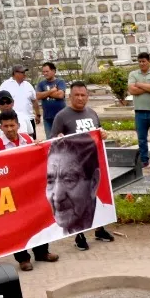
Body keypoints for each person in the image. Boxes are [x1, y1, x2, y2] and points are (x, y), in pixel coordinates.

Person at [51, 82, 115, 250]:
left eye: (83, 95)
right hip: (73, 172)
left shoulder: (92, 113)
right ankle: (79, 235)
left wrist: (103, 134)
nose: (80, 98)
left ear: (87, 96)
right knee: (78, 203)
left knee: (97, 198)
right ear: (70, 97)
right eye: (76, 95)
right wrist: (58, 138)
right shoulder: (62, 117)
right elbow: (52, 142)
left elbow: (99, 133)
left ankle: (100, 229)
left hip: (92, 166)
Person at [0, 111, 55, 270]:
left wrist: (39, 147)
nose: (9, 129)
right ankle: (23, 259)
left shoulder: (27, 139)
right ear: (0, 127)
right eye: (5, 126)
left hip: (29, 191)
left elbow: (36, 160)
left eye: (12, 125)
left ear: (18, 125)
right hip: (10, 192)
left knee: (38, 220)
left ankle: (42, 252)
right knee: (17, 227)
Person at [46, 133, 105, 237]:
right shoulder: (41, 238)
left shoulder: (108, 215)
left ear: (94, 183)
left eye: (69, 180)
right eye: (50, 182)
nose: (57, 197)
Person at [127, 52, 150, 169]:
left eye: (144, 61)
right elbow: (132, 91)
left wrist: (139, 84)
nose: (141, 64)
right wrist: (149, 87)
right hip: (140, 112)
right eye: (140, 61)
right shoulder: (133, 74)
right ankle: (144, 161)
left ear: (149, 62)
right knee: (142, 139)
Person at [0, 65, 38, 136]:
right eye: (22, 72)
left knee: (31, 142)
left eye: (24, 72)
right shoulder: (5, 85)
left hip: (29, 119)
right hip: (12, 121)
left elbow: (34, 100)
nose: (24, 74)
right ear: (15, 73)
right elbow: (1, 102)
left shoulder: (28, 85)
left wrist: (38, 114)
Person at [36, 61, 67, 137]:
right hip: (48, 118)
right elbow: (38, 96)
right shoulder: (41, 84)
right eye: (43, 72)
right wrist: (52, 91)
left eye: (47, 71)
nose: (45, 73)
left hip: (61, 117)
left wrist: (44, 93)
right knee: (50, 140)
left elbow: (60, 95)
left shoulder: (60, 82)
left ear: (53, 71)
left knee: (63, 138)